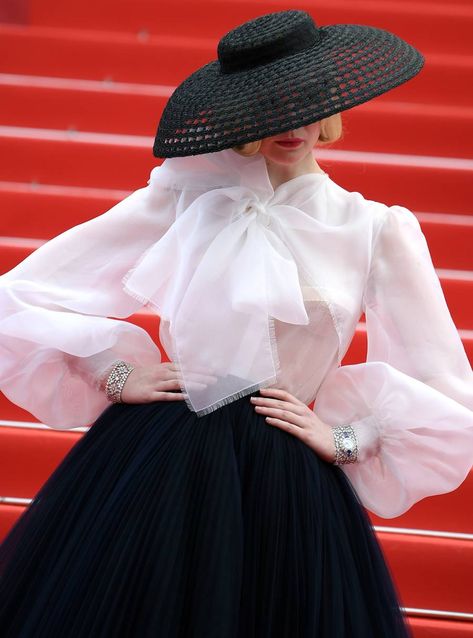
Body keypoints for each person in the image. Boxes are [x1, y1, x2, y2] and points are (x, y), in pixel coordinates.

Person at [0, 8, 472, 638]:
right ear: (241, 109)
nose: (292, 121)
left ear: (331, 100)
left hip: (284, 472)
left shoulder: (376, 229)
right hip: (160, 452)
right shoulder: (187, 194)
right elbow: (26, 296)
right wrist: (114, 373)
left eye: (305, 99)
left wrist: (347, 440)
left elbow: (444, 385)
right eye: (271, 102)